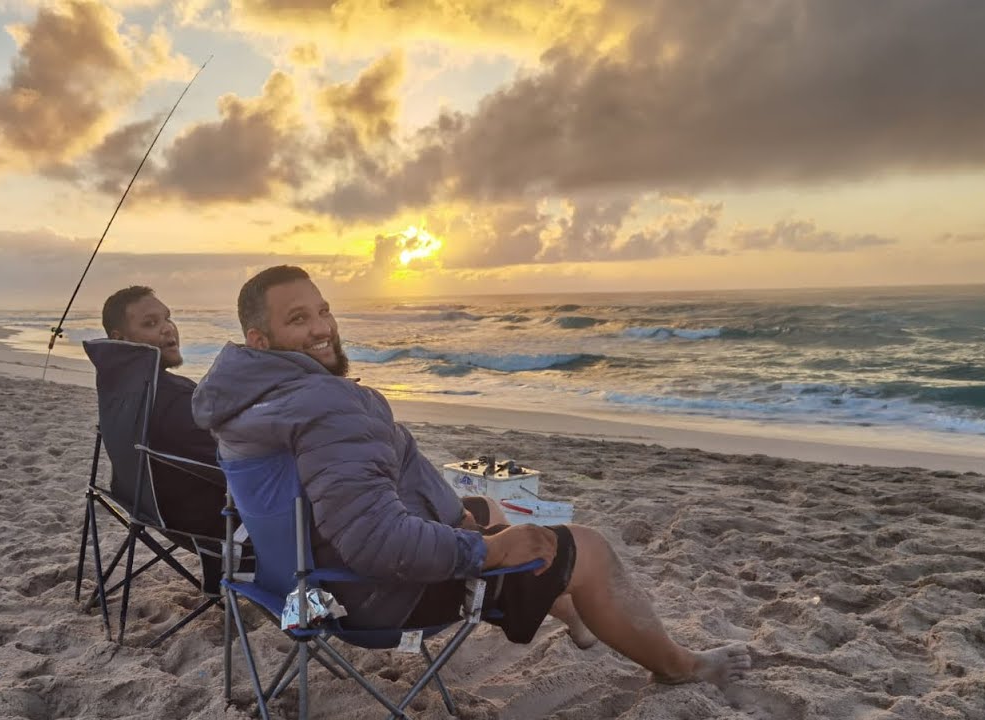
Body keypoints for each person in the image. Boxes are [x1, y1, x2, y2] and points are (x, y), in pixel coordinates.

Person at [191, 266, 750, 686]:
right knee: (590, 549)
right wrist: (488, 552)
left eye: (323, 311)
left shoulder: (248, 403)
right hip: (375, 595)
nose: (322, 328)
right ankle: (679, 666)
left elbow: (344, 497)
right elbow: (374, 540)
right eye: (298, 319)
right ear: (259, 341)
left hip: (295, 578)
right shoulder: (325, 406)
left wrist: (466, 523)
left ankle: (575, 615)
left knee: (485, 510)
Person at [101, 286, 230, 591]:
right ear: (121, 338)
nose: (168, 329)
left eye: (167, 318)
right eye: (151, 323)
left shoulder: (122, 390)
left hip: (146, 504)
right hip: (209, 522)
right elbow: (232, 461)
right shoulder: (173, 398)